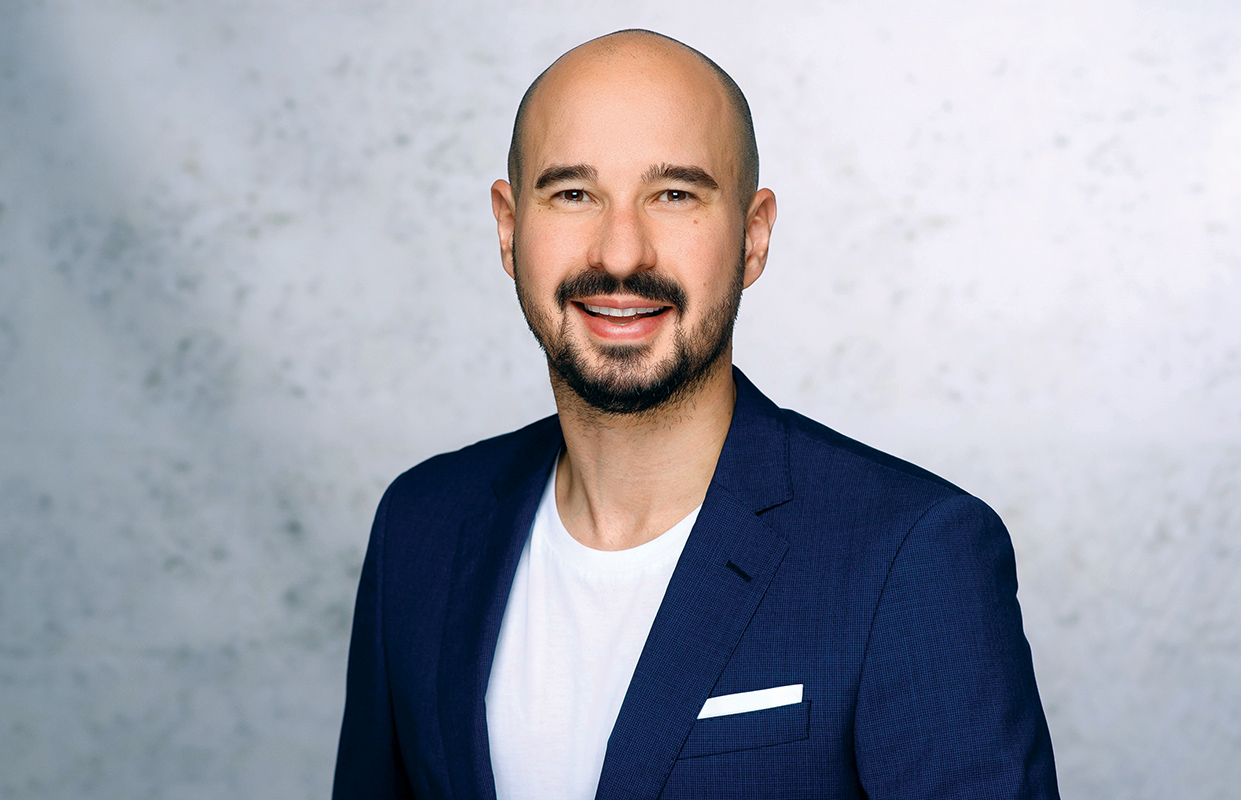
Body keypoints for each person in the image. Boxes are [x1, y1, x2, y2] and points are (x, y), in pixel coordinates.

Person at [333, 29, 1059, 800]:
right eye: (573, 193)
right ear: (510, 229)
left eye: (675, 194)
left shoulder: (911, 555)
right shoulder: (421, 527)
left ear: (753, 236)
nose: (620, 254)